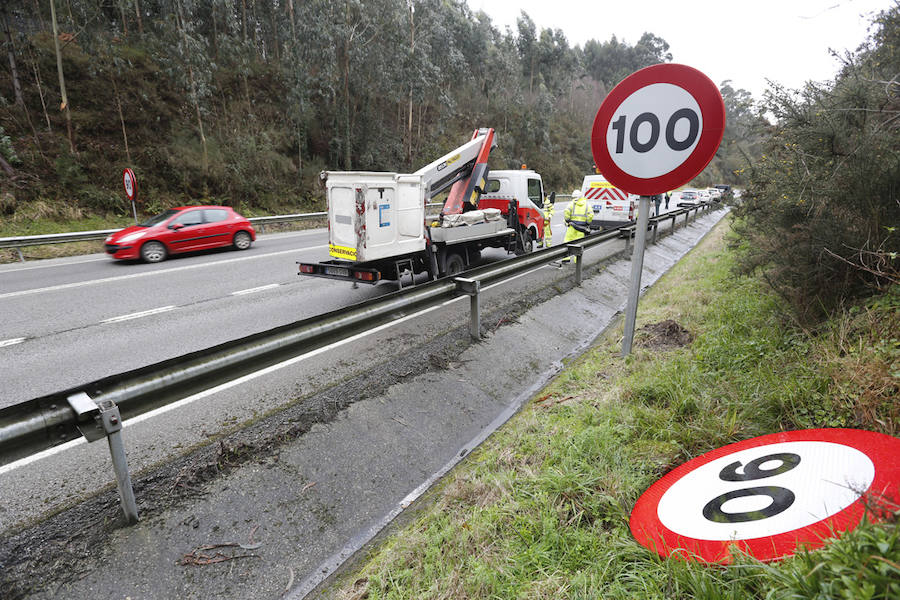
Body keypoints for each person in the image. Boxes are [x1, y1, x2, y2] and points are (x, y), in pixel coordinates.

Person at [560, 192, 592, 264]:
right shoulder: (587, 204)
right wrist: (587, 222)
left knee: (568, 241)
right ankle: (577, 260)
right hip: (582, 228)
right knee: (579, 244)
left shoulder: (571, 204)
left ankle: (566, 258)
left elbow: (566, 212)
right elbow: (590, 215)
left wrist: (567, 220)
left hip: (572, 226)